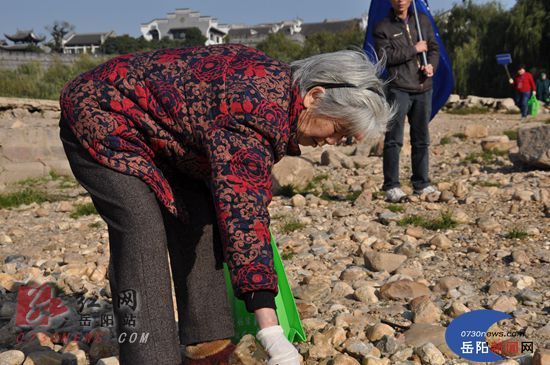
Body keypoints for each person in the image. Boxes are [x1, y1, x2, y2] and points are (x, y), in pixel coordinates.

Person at [58, 44, 392, 365]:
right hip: (100, 115)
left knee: (203, 217)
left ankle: (207, 348)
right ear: (314, 96)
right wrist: (271, 332)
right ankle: (150, 356)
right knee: (141, 231)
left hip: (164, 136)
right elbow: (245, 218)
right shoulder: (257, 111)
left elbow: (233, 201)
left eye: (344, 139)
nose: (332, 143)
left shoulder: (275, 89)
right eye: (338, 129)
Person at [373, 0, 440, 203]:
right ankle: (392, 186)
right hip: (399, 89)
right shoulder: (383, 27)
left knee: (421, 139)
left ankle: (421, 183)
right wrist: (414, 49)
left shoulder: (422, 21)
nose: (401, 0)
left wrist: (432, 67)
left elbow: (434, 49)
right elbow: (386, 57)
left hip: (423, 88)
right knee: (394, 140)